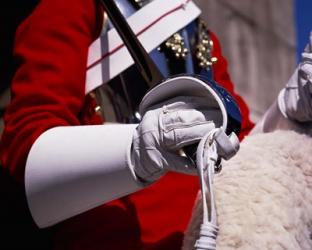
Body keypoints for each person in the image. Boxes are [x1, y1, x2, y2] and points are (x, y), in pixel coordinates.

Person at [0, 0, 262, 249]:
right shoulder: (72, 6)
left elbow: (240, 136)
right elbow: (27, 142)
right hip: (120, 238)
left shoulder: (189, 19)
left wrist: (290, 115)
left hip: (213, 231)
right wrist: (133, 151)